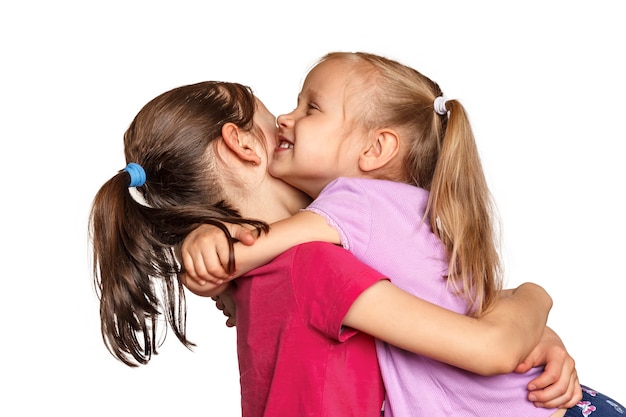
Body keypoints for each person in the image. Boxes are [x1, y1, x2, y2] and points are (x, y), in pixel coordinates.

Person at [89, 80, 576, 417]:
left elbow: (453, 312)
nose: (287, 120)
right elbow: (487, 347)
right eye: (277, 116)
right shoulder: (311, 265)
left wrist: (537, 337)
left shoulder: (282, 270)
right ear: (242, 144)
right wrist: (534, 297)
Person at [181, 53, 624, 417]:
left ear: (376, 150)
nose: (284, 118)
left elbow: (260, 246)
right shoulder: (403, 208)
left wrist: (211, 248)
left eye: (311, 108)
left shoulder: (353, 200)